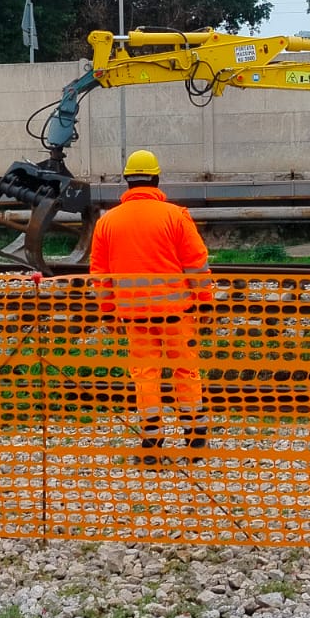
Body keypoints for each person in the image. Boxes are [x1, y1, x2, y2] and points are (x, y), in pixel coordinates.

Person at [89, 149, 213, 466]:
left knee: (145, 375)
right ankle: (195, 438)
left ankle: (152, 439)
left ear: (127, 181)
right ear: (157, 179)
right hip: (177, 315)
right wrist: (205, 304)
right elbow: (196, 266)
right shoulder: (176, 217)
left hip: (134, 316)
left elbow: (100, 276)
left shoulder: (107, 222)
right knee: (186, 370)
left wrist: (108, 312)